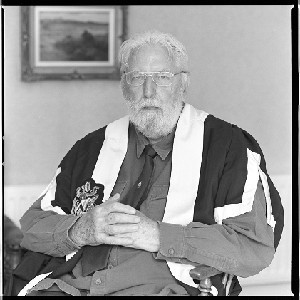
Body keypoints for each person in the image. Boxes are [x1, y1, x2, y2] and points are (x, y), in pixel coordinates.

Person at [11, 30, 284, 296]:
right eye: (138, 77)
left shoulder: (228, 147)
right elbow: (33, 227)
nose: (149, 91)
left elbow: (254, 247)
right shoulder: (90, 148)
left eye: (162, 77)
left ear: (183, 83)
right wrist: (81, 229)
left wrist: (158, 235)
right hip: (72, 287)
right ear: (124, 84)